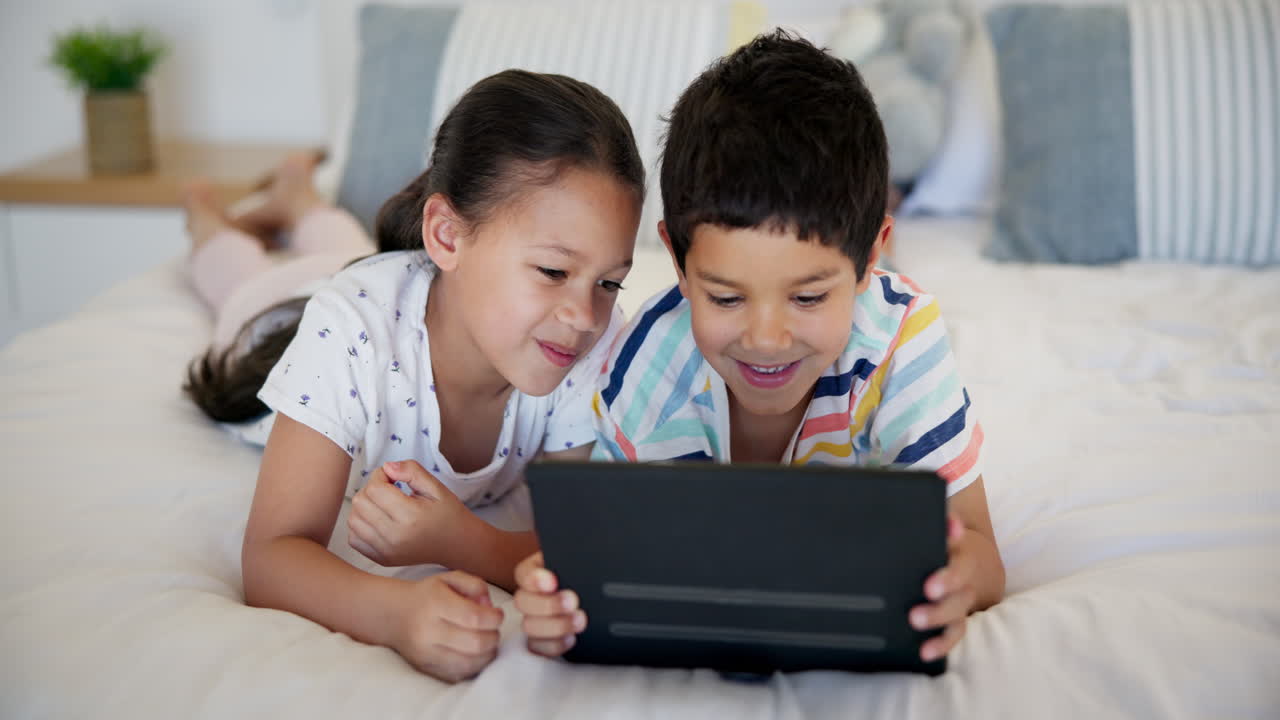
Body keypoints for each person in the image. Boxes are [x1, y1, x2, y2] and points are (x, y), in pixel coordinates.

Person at [513, 31, 1005, 666]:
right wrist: (555, 599)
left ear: (870, 258)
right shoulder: (647, 374)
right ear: (678, 262)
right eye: (724, 298)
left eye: (807, 298)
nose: (766, 341)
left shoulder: (901, 342)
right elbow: (600, 565)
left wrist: (959, 582)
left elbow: (984, 553)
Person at [235, 70, 646, 684]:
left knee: (336, 241)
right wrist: (397, 613)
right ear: (448, 236)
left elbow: (571, 547)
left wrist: (462, 540)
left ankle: (300, 200)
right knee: (237, 286)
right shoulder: (348, 327)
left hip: (386, 270)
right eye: (554, 271)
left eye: (610, 282)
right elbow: (270, 556)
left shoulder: (592, 347)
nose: (584, 316)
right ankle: (225, 217)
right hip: (282, 313)